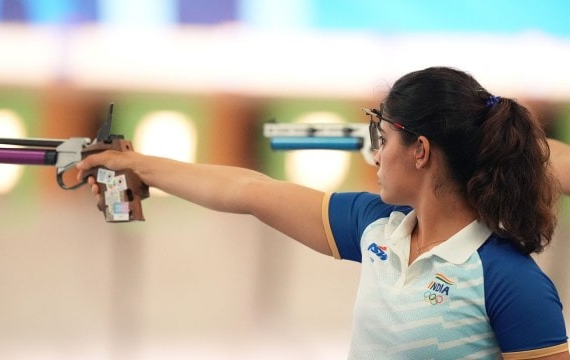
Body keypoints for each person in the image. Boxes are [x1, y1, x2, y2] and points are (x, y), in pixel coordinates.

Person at [77, 67, 570, 359]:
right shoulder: (377, 226)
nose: (376, 155)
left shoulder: (510, 282)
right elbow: (250, 190)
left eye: (384, 138)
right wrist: (137, 164)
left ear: (419, 150)